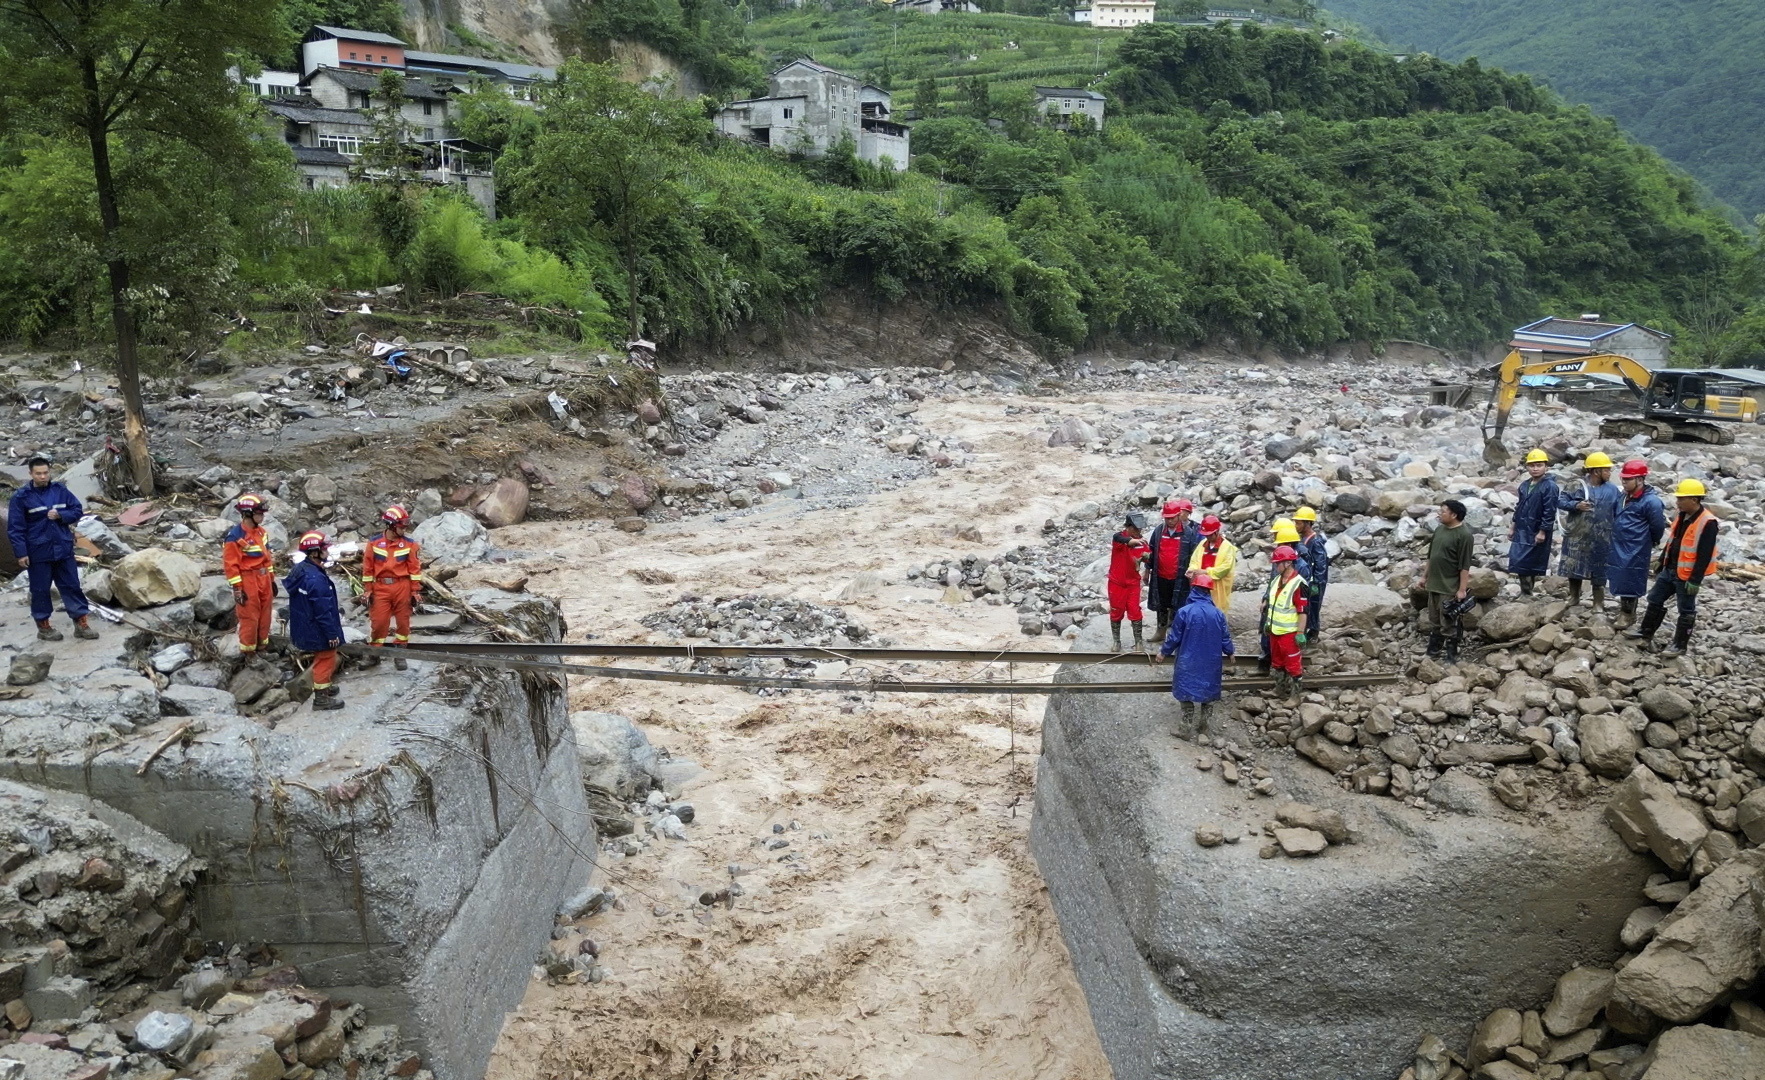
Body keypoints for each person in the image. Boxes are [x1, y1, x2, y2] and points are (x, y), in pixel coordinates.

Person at [7, 457, 98, 642]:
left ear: (50, 472)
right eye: (38, 473)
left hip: (63, 548)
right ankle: (44, 627)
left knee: (72, 586)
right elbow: (15, 528)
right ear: (30, 474)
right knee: (40, 590)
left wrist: (61, 515)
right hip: (38, 551)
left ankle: (81, 623)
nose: (43, 476)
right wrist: (21, 553)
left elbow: (77, 510)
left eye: (46, 473)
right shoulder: (21, 497)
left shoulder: (60, 491)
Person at [1625, 479, 1719, 656]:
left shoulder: (1708, 522)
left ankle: (1680, 645)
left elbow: (1705, 554)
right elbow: (1673, 540)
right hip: (1671, 569)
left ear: (1694, 500)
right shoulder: (1682, 514)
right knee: (1655, 598)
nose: (1677, 502)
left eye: (1681, 499)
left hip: (1687, 575)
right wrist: (1662, 560)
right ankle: (1646, 631)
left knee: (1686, 609)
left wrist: (1695, 580)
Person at [1158, 570, 1234, 739]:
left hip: (1188, 659)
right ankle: (1204, 727)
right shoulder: (1218, 614)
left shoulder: (1185, 612)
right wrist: (1230, 652)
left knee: (1185, 690)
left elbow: (1174, 637)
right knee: (1209, 692)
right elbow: (1225, 637)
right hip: (1211, 661)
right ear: (1209, 591)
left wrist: (1163, 652)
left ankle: (1185, 729)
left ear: (1193, 589)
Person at [286, 530, 346, 710]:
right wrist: (332, 633)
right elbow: (323, 611)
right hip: (316, 627)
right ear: (314, 552)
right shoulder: (316, 579)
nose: (327, 551)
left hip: (305, 624)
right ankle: (321, 698)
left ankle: (324, 685)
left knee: (323, 658)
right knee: (326, 658)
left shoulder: (301, 569)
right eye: (324, 549)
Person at [361, 505, 423, 670]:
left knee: (403, 623)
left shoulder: (410, 544)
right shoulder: (374, 543)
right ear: (391, 525)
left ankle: (400, 653)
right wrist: (368, 590)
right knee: (379, 623)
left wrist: (415, 591)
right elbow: (367, 569)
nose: (405, 528)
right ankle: (374, 654)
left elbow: (414, 570)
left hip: (402, 586)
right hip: (380, 587)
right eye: (401, 525)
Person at [1607, 460, 1667, 630]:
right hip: (1619, 543)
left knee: (1631, 578)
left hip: (1636, 546)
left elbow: (1657, 526)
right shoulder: (1624, 496)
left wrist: (1651, 541)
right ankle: (1624, 609)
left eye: (1628, 479)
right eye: (1623, 479)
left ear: (1640, 480)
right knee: (1619, 576)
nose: (1624, 482)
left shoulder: (1651, 502)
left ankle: (1628, 613)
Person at [1558, 451, 1621, 609]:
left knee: (1600, 568)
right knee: (1574, 565)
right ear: (1595, 471)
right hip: (1578, 534)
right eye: (1606, 470)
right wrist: (1575, 505)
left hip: (1602, 536)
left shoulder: (1613, 490)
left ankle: (1598, 602)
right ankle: (1574, 596)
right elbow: (1561, 501)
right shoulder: (1577, 485)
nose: (1609, 473)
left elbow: (1619, 510)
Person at [1417, 499, 1474, 662]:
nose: (1439, 514)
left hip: (1449, 586)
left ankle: (1451, 655)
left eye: (1443, 511)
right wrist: (1424, 577)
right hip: (1434, 584)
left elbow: (1464, 566)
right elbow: (1431, 556)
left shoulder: (1464, 535)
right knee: (1434, 620)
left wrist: (1462, 589)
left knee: (1448, 622)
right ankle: (1432, 652)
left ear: (1454, 515)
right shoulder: (1440, 530)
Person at [222, 494, 276, 654]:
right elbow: (230, 565)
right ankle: (248, 653)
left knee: (265, 614)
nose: (262, 516)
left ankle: (262, 647)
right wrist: (237, 588)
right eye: (259, 513)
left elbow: (267, 557)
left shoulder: (262, 533)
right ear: (247, 514)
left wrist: (271, 580)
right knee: (249, 617)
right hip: (248, 579)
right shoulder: (235, 537)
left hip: (264, 577)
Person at [1145, 498, 1200, 641]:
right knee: (1161, 605)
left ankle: (1176, 635)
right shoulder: (1158, 531)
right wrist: (1147, 571)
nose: (1169, 521)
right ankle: (1161, 632)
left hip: (1180, 578)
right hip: (1161, 576)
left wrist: (1194, 575)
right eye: (1167, 518)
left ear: (1179, 515)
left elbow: (1194, 555)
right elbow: (1151, 551)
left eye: (1172, 518)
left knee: (1179, 605)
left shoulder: (1189, 533)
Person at [1262, 544, 1308, 701]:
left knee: (1293, 665)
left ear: (1287, 563)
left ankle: (1295, 696)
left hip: (1289, 633)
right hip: (1275, 631)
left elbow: (1302, 612)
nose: (1275, 566)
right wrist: (1268, 623)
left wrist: (1300, 633)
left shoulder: (1298, 584)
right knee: (1278, 663)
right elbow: (1273, 604)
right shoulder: (1276, 580)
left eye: (1277, 563)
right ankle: (1279, 690)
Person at [1508, 449, 1558, 596]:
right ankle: (1525, 591)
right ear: (1527, 467)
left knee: (1532, 561)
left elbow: (1550, 511)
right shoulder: (1524, 485)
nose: (1535, 468)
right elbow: (1519, 507)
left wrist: (1543, 531)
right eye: (1532, 465)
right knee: (1517, 560)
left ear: (1546, 467)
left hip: (1537, 529)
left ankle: (1528, 592)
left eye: (1539, 465)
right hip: (1522, 528)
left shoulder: (1550, 486)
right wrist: (1513, 526)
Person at [1107, 512, 1150, 652]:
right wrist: (1130, 541)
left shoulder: (1142, 542)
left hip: (1132, 583)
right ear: (1129, 528)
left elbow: (1148, 557)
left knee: (1135, 611)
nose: (1139, 532)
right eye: (1136, 529)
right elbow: (1117, 537)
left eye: (1140, 529)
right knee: (1116, 611)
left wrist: (1146, 557)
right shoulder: (1120, 539)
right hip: (1116, 582)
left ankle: (1138, 641)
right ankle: (1116, 641)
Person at [1188, 515, 1240, 614]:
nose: (1207, 537)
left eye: (1210, 535)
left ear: (1217, 532)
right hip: (1200, 586)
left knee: (1217, 612)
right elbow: (1194, 560)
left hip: (1217, 589)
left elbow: (1225, 568)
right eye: (1206, 535)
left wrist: (1206, 572)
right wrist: (1192, 570)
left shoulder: (1227, 547)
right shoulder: (1202, 544)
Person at [1294, 506, 1329, 642]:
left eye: (1298, 523)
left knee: (1313, 606)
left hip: (1314, 582)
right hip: (1305, 580)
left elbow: (1321, 565)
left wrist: (1316, 583)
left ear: (1307, 523)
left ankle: (1313, 633)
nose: (1296, 525)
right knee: (1305, 605)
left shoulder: (1316, 542)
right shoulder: (1303, 540)